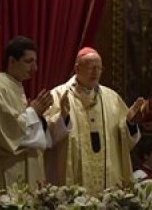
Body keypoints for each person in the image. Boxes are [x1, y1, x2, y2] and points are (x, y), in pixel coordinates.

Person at [44, 46, 144, 193]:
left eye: (99, 68)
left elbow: (125, 141)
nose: (96, 72)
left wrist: (130, 123)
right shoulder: (58, 95)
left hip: (108, 179)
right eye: (91, 67)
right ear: (77, 68)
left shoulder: (112, 98)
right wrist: (63, 118)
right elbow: (45, 138)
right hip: (74, 176)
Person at [0, 35, 69, 188]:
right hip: (4, 174)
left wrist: (59, 117)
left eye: (35, 62)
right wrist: (33, 112)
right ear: (12, 61)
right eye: (29, 61)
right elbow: (7, 133)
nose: (35, 68)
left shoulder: (17, 91)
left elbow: (37, 138)